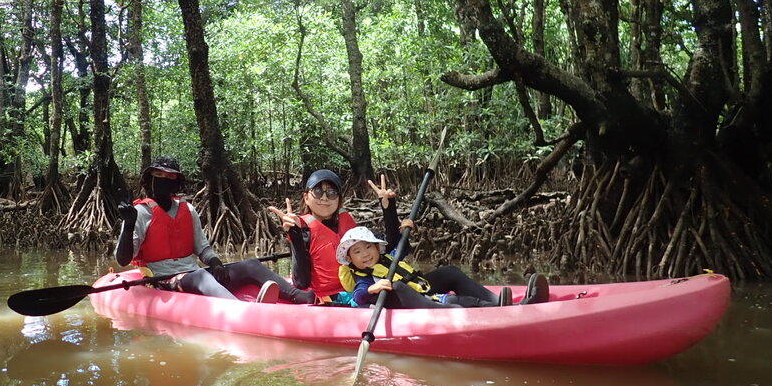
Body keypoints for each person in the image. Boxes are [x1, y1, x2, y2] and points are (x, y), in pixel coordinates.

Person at [115, 156, 312, 304]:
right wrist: (129, 225)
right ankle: (241, 310)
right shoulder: (139, 212)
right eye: (158, 175)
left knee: (251, 265)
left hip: (193, 273)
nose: (163, 180)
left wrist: (216, 263)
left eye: (169, 176)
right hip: (161, 279)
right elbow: (123, 259)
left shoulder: (187, 209)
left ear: (176, 181)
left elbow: (203, 248)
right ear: (149, 179)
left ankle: (299, 297)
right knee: (201, 275)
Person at [268, 170, 419, 305]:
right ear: (306, 197)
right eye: (318, 191)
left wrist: (388, 208)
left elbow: (388, 248)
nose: (325, 198)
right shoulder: (303, 229)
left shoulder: (347, 223)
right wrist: (295, 234)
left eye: (332, 192)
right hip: (332, 297)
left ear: (339, 199)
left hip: (364, 286)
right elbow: (301, 282)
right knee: (249, 267)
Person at [337, 219, 549, 309]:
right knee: (399, 286)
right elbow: (359, 295)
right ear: (351, 259)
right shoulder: (363, 276)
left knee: (451, 276)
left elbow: (403, 249)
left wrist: (404, 232)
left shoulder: (386, 259)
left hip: (426, 295)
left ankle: (501, 306)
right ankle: (449, 311)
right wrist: (373, 288)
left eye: (368, 247)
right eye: (357, 251)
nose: (365, 254)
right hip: (421, 307)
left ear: (377, 248)